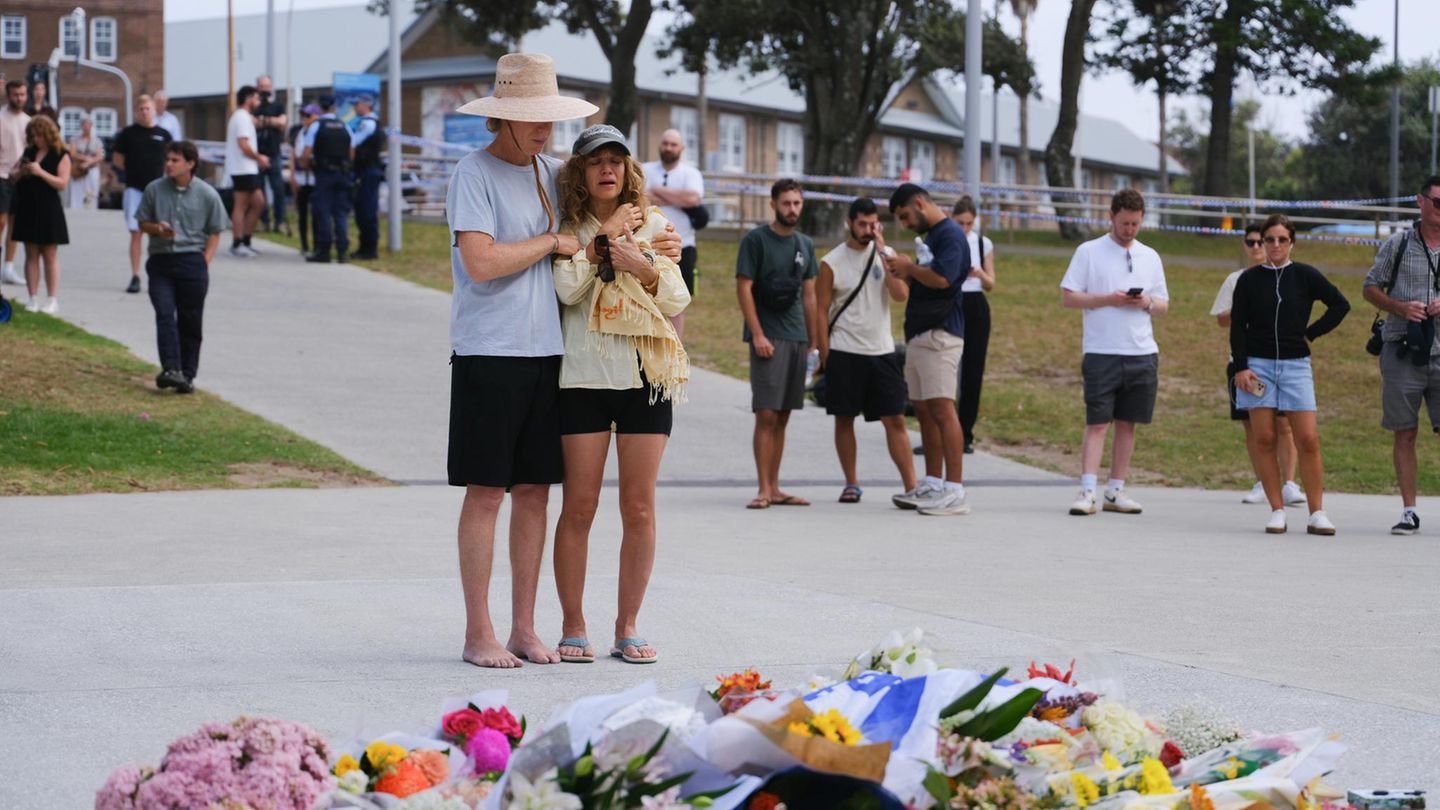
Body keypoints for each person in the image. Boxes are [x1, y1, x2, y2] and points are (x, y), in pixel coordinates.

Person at [444, 53, 598, 669]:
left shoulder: (554, 173)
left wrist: (656, 234)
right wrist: (552, 242)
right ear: (502, 116)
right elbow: (480, 262)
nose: (544, 128)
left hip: (547, 352)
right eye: (532, 116)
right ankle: (477, 633)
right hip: (489, 350)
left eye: (549, 116)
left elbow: (606, 208)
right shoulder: (472, 173)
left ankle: (523, 629)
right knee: (487, 493)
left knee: (534, 491)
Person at [550, 124, 690, 666]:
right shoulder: (566, 226)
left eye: (616, 160)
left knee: (638, 507)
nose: (606, 169)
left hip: (645, 379)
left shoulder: (653, 223)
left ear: (628, 169)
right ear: (580, 171)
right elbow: (566, 289)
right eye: (595, 161)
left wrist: (644, 266)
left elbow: (677, 297)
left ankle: (627, 626)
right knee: (579, 507)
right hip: (584, 378)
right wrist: (604, 239)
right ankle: (573, 625)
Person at [1230, 214, 1349, 535]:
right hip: (1258, 366)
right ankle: (1276, 510)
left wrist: (1311, 333)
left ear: (1292, 242)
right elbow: (1237, 325)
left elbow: (1340, 305)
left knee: (1308, 439)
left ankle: (1317, 512)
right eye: (1269, 239)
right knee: (1265, 439)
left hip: (1296, 365)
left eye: (1282, 239)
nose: (1275, 245)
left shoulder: (1305, 275)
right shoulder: (1249, 279)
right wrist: (1241, 366)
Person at [1060, 188, 1169, 516]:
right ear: (1111, 217)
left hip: (1141, 351)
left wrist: (1146, 302)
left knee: (1127, 423)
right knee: (1097, 422)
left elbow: (1164, 304)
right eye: (1124, 223)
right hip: (1101, 350)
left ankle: (1116, 489)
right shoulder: (1088, 251)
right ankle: (1087, 489)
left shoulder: (1150, 256)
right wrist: (1109, 299)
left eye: (1135, 224)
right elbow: (1069, 297)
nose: (1129, 230)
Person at [816, 196, 916, 504]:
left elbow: (900, 295)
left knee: (895, 419)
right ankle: (851, 482)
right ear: (849, 223)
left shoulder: (887, 255)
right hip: (845, 350)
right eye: (862, 224)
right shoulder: (832, 262)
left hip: (881, 351)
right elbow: (820, 309)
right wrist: (824, 352)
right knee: (844, 418)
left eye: (873, 224)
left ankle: (912, 486)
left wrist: (884, 253)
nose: (868, 230)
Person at [886, 183, 971, 516]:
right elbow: (924, 279)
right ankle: (933, 483)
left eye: (905, 216)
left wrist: (909, 268)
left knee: (943, 409)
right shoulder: (933, 237)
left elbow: (943, 279)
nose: (905, 224)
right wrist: (903, 270)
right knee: (923, 410)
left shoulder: (950, 235)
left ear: (920, 203)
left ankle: (955, 490)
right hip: (920, 332)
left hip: (941, 333)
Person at [1361, 176, 1440, 536]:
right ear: (1420, 202)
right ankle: (1409, 511)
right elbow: (1369, 288)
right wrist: (1400, 307)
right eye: (1437, 202)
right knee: (1405, 432)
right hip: (1403, 348)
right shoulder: (1399, 243)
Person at [737, 178, 819, 509]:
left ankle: (775, 486)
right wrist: (757, 333)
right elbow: (744, 287)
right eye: (786, 203)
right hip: (768, 336)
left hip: (797, 336)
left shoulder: (805, 244)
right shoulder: (756, 240)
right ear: (773, 205)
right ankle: (763, 488)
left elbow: (810, 294)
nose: (792, 209)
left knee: (783, 414)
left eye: (797, 203)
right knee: (766, 413)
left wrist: (814, 340)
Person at [1211, 223, 1305, 507]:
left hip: (1280, 362)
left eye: (1260, 242)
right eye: (1250, 242)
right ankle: (1263, 481)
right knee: (1253, 427)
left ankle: (1289, 483)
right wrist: (1244, 308)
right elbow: (1222, 319)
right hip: (1246, 364)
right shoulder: (1236, 279)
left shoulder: (1285, 277)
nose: (1256, 248)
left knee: (1285, 424)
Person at [136, 140, 230, 394]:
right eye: (167, 159)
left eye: (175, 160)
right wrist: (157, 229)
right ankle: (171, 368)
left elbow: (216, 230)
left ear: (190, 164)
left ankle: (187, 375)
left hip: (192, 262)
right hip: (161, 261)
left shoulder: (207, 194)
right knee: (165, 313)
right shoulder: (154, 189)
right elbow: (142, 223)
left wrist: (205, 260)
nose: (169, 164)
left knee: (190, 319)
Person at [642, 128, 704, 338]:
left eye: (673, 144)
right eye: (665, 143)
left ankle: (675, 346)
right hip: (647, 246)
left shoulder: (691, 173)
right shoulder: (645, 169)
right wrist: (677, 197)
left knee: (676, 301)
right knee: (648, 297)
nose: (669, 148)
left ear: (682, 148)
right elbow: (639, 195)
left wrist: (657, 192)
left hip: (682, 245)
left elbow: (693, 199)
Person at [112, 95, 172, 293]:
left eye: (148, 108)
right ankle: (135, 275)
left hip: (157, 190)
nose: (145, 112)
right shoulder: (128, 133)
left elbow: (170, 160)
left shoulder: (163, 134)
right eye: (141, 109)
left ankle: (159, 275)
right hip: (135, 188)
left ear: (154, 110)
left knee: (159, 232)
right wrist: (128, 173)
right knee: (136, 232)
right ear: (137, 111)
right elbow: (117, 158)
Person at [12, 116, 70, 314]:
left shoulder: (61, 154)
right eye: (33, 136)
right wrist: (21, 172)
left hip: (49, 209)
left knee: (50, 255)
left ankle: (52, 299)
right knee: (31, 254)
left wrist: (40, 172)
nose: (36, 139)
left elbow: (62, 183)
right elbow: (13, 177)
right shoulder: (28, 152)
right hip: (28, 206)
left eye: (39, 135)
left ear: (48, 134)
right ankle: (32, 297)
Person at [952, 196, 995, 455]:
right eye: (960, 223)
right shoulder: (945, 238)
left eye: (969, 223)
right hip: (952, 302)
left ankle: (965, 433)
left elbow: (991, 283)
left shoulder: (982, 243)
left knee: (972, 371)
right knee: (946, 370)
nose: (965, 228)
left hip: (976, 304)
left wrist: (978, 273)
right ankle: (940, 431)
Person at [301, 95, 353, 263]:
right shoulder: (345, 126)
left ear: (320, 108)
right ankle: (342, 252)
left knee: (323, 212)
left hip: (324, 174)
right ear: (334, 108)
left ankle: (324, 251)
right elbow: (352, 151)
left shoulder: (316, 126)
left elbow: (306, 153)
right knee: (341, 213)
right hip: (342, 175)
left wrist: (307, 166)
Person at [225, 86, 268, 258]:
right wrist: (259, 158)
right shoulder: (241, 117)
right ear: (248, 98)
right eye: (256, 98)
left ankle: (246, 240)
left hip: (248, 169)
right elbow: (243, 144)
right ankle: (237, 243)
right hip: (242, 169)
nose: (258, 101)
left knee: (258, 203)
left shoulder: (244, 117)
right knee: (241, 205)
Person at [0, 80, 30, 287]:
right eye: (15, 95)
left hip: (20, 177)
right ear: (8, 95)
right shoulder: (1, 117)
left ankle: (8, 267)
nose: (19, 98)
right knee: (1, 221)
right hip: (1, 175)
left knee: (15, 223)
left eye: (22, 94)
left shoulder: (28, 121)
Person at [349, 94, 385, 260]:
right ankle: (366, 248)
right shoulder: (372, 122)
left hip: (367, 172)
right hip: (369, 172)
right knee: (364, 210)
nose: (355, 107)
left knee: (366, 211)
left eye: (357, 104)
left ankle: (368, 250)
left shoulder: (367, 123)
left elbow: (353, 144)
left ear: (366, 105)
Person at [253, 76, 288, 234]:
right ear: (257, 88)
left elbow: (282, 123)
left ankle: (280, 221)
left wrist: (263, 121)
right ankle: (264, 221)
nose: (264, 89)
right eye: (261, 86)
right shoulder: (254, 107)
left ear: (271, 87)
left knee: (278, 189)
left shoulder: (278, 105)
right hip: (257, 155)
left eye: (267, 86)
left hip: (274, 154)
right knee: (259, 190)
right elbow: (252, 122)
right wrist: (271, 121)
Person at [289, 104, 319, 255]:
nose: (305, 119)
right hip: (301, 178)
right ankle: (304, 244)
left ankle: (317, 244)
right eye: (303, 116)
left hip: (315, 178)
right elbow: (293, 154)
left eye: (308, 116)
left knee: (316, 213)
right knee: (302, 213)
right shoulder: (299, 132)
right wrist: (292, 175)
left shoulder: (319, 130)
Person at [65, 115, 104, 210]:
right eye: (84, 124)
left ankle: (90, 208)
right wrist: (85, 158)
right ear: (81, 126)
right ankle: (76, 209)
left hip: (92, 169)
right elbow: (73, 153)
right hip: (79, 169)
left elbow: (99, 156)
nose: (86, 127)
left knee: (91, 192)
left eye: (88, 124)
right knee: (77, 191)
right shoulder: (75, 139)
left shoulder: (97, 141)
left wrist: (89, 162)